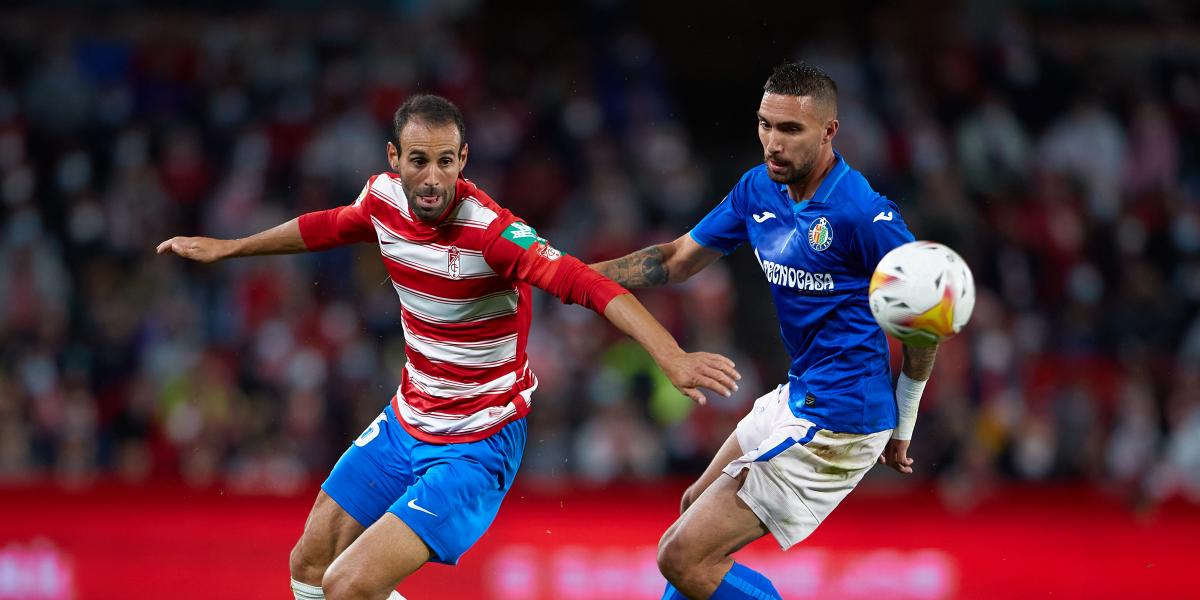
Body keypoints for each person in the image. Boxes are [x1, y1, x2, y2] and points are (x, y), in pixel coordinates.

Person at [157, 94, 741, 600]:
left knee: (348, 585)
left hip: (477, 442)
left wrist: (671, 355)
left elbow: (589, 285)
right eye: (419, 161)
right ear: (394, 159)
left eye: (445, 161)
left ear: (463, 160)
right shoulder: (382, 200)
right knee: (308, 566)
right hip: (407, 421)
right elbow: (326, 226)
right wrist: (229, 248)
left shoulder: (493, 233)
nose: (433, 178)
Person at [591, 62, 939, 600]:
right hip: (801, 394)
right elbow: (677, 260)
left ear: (829, 131)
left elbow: (924, 323)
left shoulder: (863, 215)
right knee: (690, 511)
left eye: (790, 129)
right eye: (765, 125)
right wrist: (570, 274)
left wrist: (905, 419)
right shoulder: (759, 189)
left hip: (841, 420)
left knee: (681, 555)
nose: (773, 143)